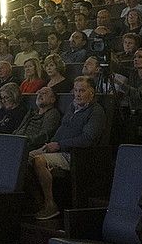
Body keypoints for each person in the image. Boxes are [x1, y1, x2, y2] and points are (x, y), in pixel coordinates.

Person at [29, 76, 105, 220]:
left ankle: (50, 204)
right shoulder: (72, 106)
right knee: (23, 157)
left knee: (38, 160)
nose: (78, 94)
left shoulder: (96, 111)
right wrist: (51, 143)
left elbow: (87, 139)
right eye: (76, 90)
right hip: (57, 148)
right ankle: (37, 202)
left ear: (92, 92)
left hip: (75, 154)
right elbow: (62, 129)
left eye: (82, 90)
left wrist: (59, 145)